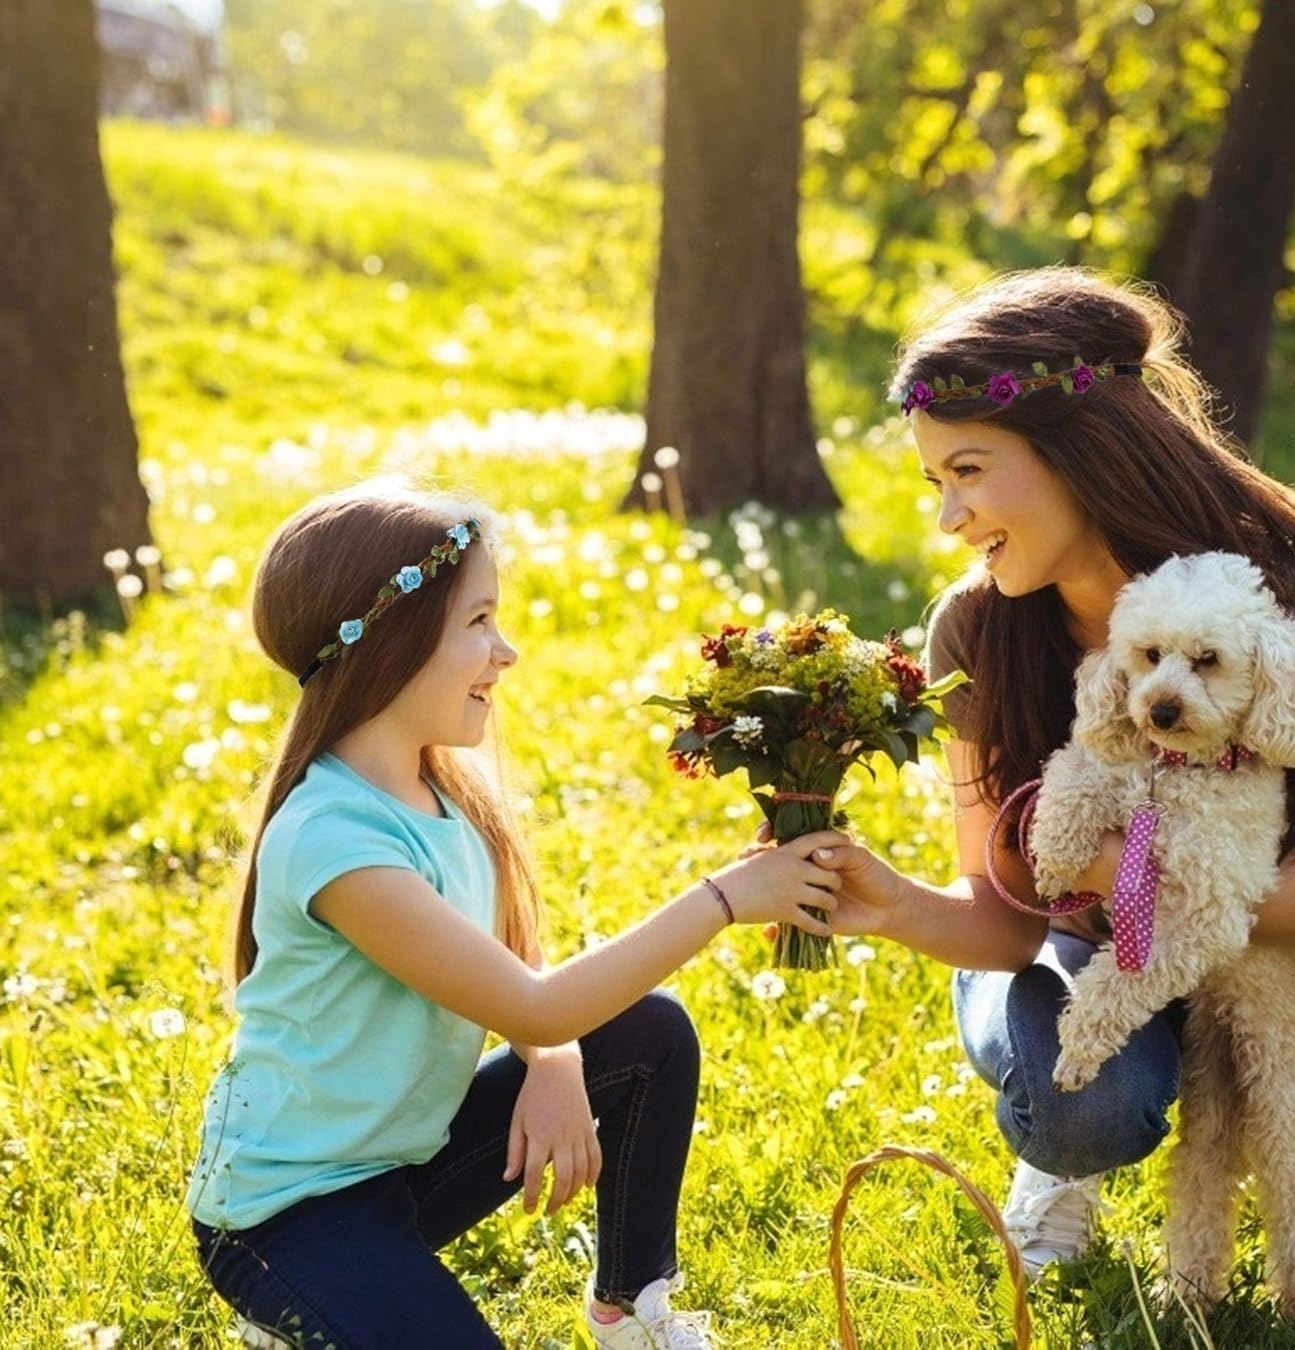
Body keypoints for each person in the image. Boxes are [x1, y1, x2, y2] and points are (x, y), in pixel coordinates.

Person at [813, 268, 1295, 1348]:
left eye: (970, 472)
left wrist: (1118, 865)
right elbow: (1003, 916)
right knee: (1081, 1106)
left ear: (1078, 450)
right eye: (936, 482)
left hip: (1267, 940)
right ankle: (1056, 1168)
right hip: (1086, 956)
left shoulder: (1290, 597)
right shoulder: (977, 630)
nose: (948, 518)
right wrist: (889, 904)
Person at [187, 483, 847, 1349]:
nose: (508, 651)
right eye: (479, 622)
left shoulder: (444, 790)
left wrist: (556, 1062)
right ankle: (310, 1301)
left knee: (648, 1032)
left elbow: (521, 969)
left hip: (404, 1169)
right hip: (285, 1216)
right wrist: (725, 899)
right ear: (390, 642)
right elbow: (535, 1002)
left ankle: (631, 1311)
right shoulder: (335, 842)